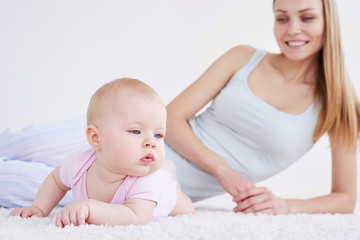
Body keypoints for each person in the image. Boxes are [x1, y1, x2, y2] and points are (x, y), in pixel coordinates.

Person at [0, 0, 359, 215]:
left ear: (329, 20)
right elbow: (171, 116)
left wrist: (285, 205)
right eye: (282, 17)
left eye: (307, 17)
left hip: (145, 184)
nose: (292, 29)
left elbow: (345, 199)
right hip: (130, 135)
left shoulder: (342, 106)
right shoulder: (245, 57)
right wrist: (225, 172)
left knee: (11, 182)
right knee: (19, 143)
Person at [9, 78, 194, 227]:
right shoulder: (78, 164)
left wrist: (91, 208)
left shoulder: (148, 178)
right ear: (96, 138)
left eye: (158, 134)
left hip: (165, 195)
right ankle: (169, 170)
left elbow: (136, 216)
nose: (151, 143)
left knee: (186, 208)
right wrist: (39, 207)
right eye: (136, 131)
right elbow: (56, 181)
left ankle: (170, 176)